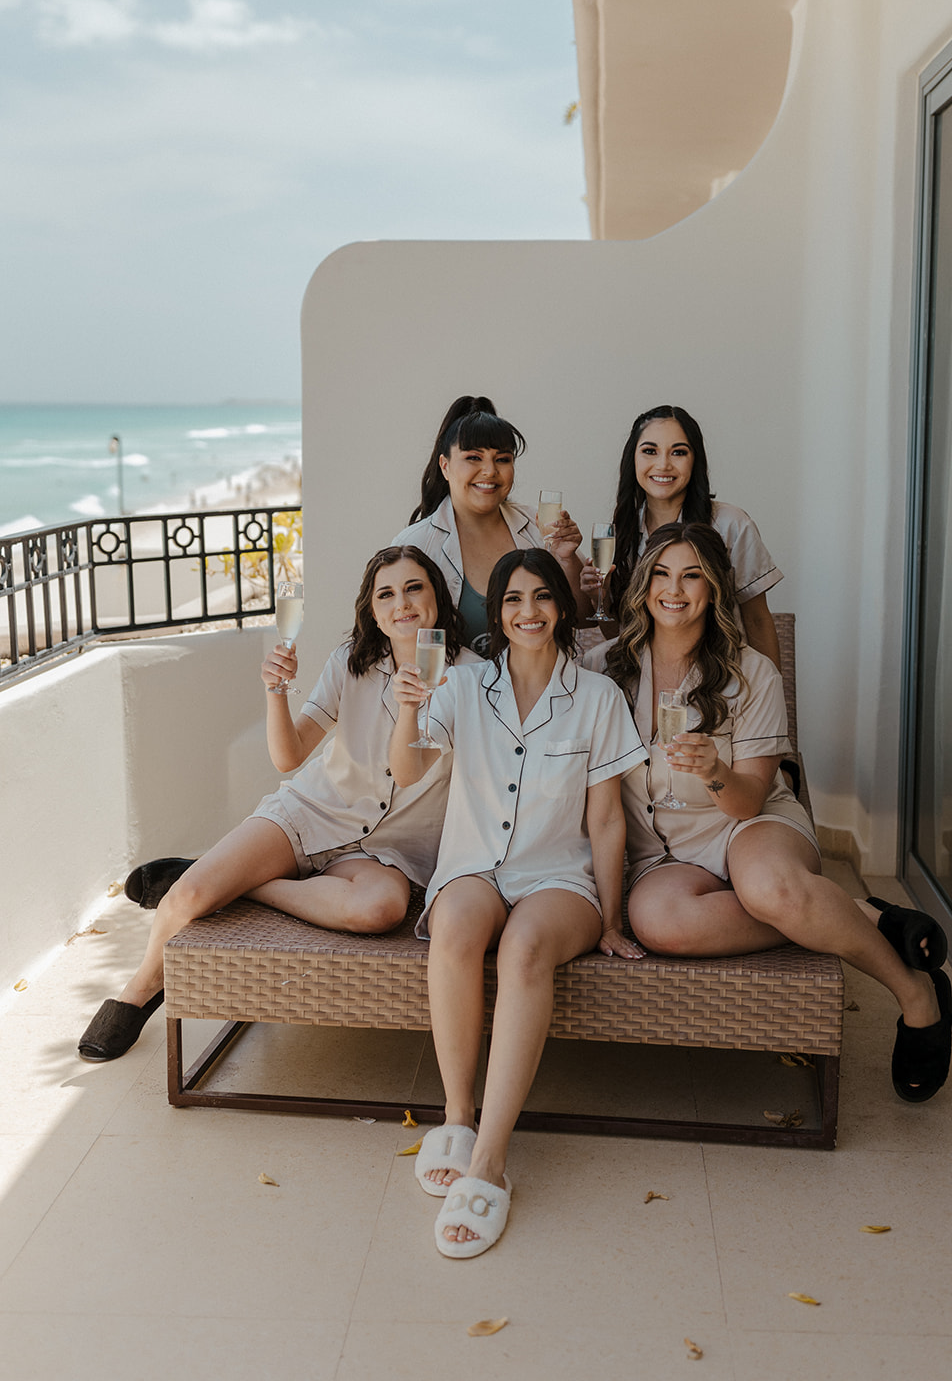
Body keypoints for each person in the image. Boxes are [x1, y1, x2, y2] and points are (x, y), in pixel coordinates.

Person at [585, 522, 952, 1105]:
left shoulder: (750, 672)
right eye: (660, 573)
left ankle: (916, 995)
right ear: (641, 584)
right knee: (660, 924)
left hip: (746, 823)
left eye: (692, 576)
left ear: (714, 589)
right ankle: (850, 911)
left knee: (774, 888)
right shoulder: (602, 668)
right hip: (660, 849)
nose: (674, 589)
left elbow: (749, 799)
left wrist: (711, 770)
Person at [78, 546, 476, 1063]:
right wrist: (275, 691)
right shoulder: (351, 662)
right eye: (386, 594)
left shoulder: (470, 676)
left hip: (388, 848)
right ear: (373, 612)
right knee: (188, 896)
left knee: (380, 909)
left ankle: (248, 884)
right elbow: (289, 757)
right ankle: (139, 989)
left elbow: (413, 770)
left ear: (438, 597)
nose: (402, 603)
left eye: (414, 587)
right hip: (312, 813)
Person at [389, 548, 646, 1258]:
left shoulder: (597, 699)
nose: (527, 611)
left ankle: (489, 1161)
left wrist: (614, 918)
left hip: (558, 880)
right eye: (511, 599)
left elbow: (606, 821)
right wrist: (407, 710)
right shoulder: (464, 687)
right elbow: (407, 769)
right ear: (496, 615)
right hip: (473, 865)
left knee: (526, 949)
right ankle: (457, 1115)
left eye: (540, 597)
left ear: (561, 607)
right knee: (456, 931)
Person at [583, 404, 782, 665]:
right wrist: (599, 596)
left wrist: (772, 691)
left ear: (695, 459)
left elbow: (757, 619)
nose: (663, 464)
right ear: (633, 459)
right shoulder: (621, 534)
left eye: (678, 452)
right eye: (650, 451)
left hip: (722, 679)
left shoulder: (731, 525)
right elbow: (623, 633)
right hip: (646, 682)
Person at [394, 394, 587, 650]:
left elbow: (582, 620)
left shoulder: (539, 527)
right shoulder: (415, 544)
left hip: (535, 689)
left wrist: (567, 560)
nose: (490, 471)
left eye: (502, 459)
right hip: (452, 688)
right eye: (474, 457)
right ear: (445, 465)